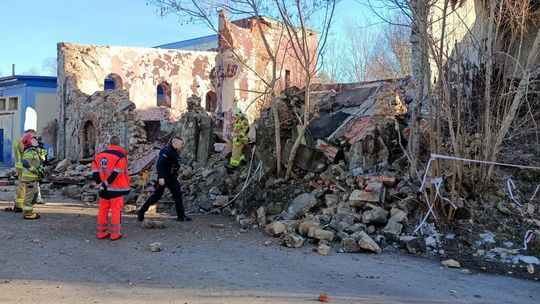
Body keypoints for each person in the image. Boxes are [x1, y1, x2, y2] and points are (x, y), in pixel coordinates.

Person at [137, 136, 191, 222]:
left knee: (178, 194)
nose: (182, 145)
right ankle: (141, 212)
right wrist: (161, 177)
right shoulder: (166, 151)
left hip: (172, 177)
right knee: (156, 196)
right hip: (164, 177)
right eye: (180, 144)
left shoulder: (175, 152)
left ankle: (181, 216)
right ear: (175, 143)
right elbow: (160, 164)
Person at [91, 136, 130, 240]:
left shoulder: (99, 156)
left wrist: (100, 184)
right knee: (116, 211)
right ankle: (115, 234)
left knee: (103, 210)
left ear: (109, 143)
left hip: (103, 189)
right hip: (116, 189)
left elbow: (94, 173)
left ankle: (101, 233)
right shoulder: (121, 156)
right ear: (119, 144)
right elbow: (117, 174)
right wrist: (106, 184)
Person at [20, 133, 45, 219]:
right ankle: (27, 214)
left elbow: (36, 162)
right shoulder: (29, 151)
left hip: (33, 178)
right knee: (29, 197)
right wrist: (35, 171)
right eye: (33, 139)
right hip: (30, 178)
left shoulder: (34, 150)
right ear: (29, 142)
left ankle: (29, 212)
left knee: (33, 196)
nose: (36, 141)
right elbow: (25, 163)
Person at [11, 129, 36, 212]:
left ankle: (17, 204)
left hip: (18, 165)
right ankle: (19, 206)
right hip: (23, 166)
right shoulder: (23, 142)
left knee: (21, 185)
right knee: (23, 185)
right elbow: (26, 153)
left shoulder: (17, 141)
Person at [35, 136, 48, 204]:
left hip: (35, 167)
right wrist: (45, 165)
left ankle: (36, 197)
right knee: (38, 183)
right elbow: (44, 159)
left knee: (35, 183)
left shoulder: (34, 148)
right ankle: (38, 198)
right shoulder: (42, 148)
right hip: (40, 167)